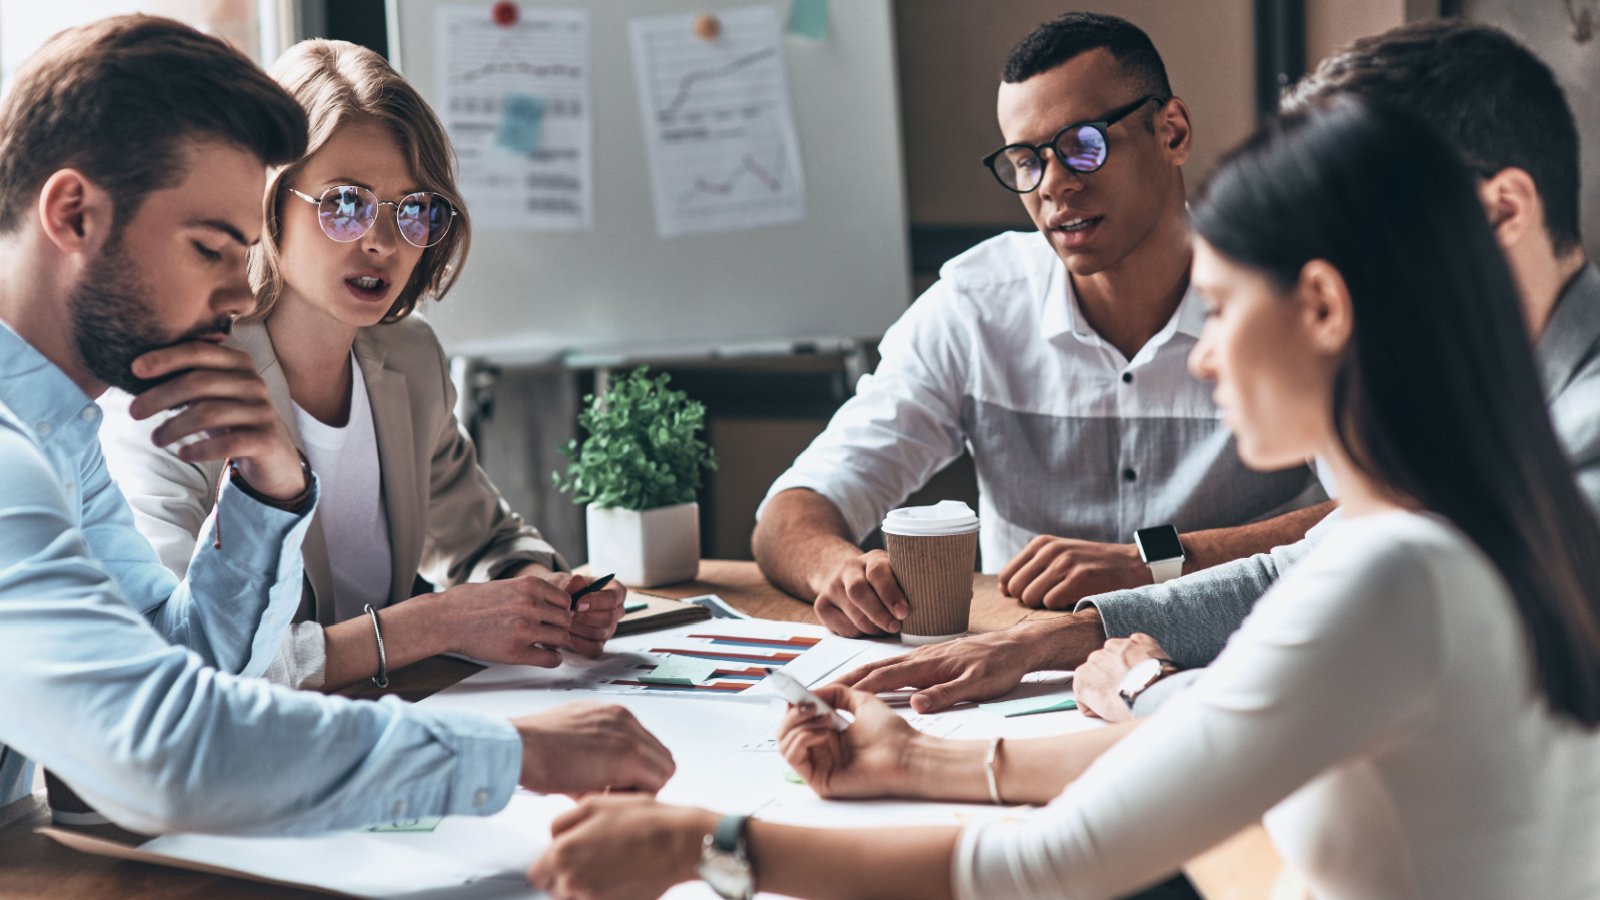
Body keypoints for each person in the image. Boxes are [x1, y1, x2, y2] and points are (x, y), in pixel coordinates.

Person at [530, 97, 1600, 900]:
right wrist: (922, 756)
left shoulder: (1389, 574)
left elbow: (1051, 866)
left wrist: (705, 846)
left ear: (1320, 307)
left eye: (1224, 311)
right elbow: (1220, 737)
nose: (1211, 359)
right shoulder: (1473, 521)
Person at [0, 15, 670, 832]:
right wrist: (515, 753)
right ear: (72, 215)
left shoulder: (60, 440)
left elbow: (186, 669)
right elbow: (159, 748)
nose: (242, 294)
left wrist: (271, 492)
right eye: (213, 249)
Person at [841, 19, 1600, 720]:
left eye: (1357, 224)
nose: (1325, 275)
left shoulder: (1580, 441)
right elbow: (1311, 567)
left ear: (1502, 213)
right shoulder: (1501, 398)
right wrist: (1055, 641)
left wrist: (1147, 690)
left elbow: (1383, 718)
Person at [752, 12, 1329, 639]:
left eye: (1084, 144)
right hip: (1012, 674)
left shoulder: (1278, 297)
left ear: (1173, 132)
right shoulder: (974, 308)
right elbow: (792, 512)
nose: (1053, 186)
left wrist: (1155, 560)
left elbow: (1383, 511)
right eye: (1026, 160)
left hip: (1239, 655)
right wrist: (838, 571)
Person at [98, 38, 622, 691]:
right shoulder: (172, 388)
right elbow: (178, 665)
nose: (381, 241)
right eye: (346, 203)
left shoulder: (411, 357)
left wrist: (543, 595)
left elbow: (484, 542)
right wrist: (431, 625)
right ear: (269, 201)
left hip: (391, 722)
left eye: (413, 210)